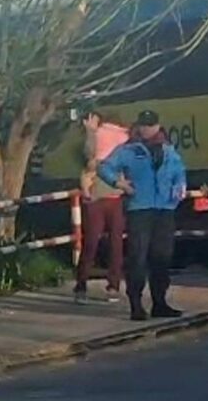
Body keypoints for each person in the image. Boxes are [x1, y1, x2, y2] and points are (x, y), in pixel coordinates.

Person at [98, 110, 187, 321]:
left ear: (158, 126)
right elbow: (104, 167)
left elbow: (179, 171)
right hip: (140, 208)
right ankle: (136, 304)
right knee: (138, 257)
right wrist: (118, 183)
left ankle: (160, 302)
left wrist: (180, 185)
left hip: (165, 209)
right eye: (144, 125)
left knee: (161, 258)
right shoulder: (128, 150)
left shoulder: (169, 150)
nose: (148, 129)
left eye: (151, 125)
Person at [74, 112, 128, 304]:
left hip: (106, 197)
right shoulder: (122, 139)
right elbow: (89, 157)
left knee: (103, 243)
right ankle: (95, 285)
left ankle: (98, 285)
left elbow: (89, 159)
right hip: (106, 197)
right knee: (105, 243)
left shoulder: (114, 141)